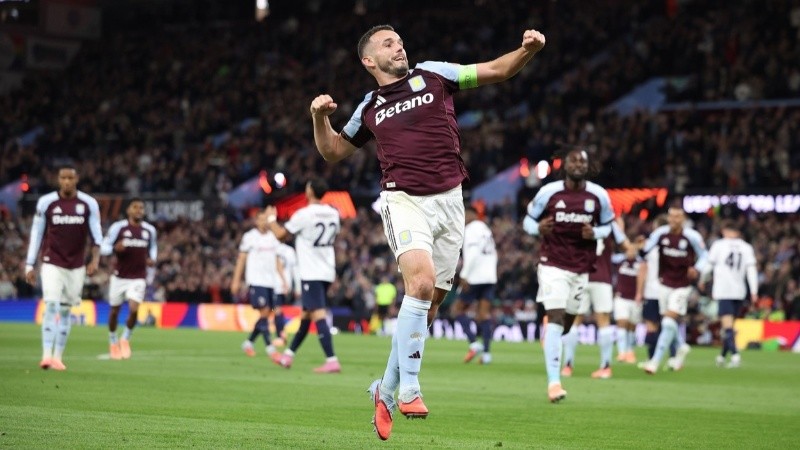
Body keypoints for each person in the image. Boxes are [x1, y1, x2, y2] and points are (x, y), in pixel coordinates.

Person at [309, 24, 545, 439]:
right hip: (403, 201)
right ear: (369, 60)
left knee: (430, 306)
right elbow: (332, 151)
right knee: (418, 285)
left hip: (451, 202)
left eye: (399, 41)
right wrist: (318, 118)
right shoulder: (370, 106)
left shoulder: (434, 74)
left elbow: (496, 70)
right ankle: (410, 389)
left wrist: (527, 50)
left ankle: (385, 388)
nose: (398, 47)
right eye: (387, 44)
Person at [523, 148, 615, 402]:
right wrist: (538, 228)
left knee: (568, 322)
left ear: (588, 166)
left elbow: (608, 226)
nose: (577, 164)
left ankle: (550, 335)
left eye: (582, 161)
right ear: (565, 165)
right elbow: (527, 221)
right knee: (555, 316)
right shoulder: (548, 192)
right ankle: (554, 382)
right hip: (552, 263)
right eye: (573, 160)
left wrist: (595, 233)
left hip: (581, 268)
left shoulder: (598, 195)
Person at [24, 165, 103, 370]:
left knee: (67, 311)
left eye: (70, 178)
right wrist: (30, 264)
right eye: (63, 178)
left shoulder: (88, 203)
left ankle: (58, 357)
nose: (67, 181)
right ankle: (46, 355)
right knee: (51, 305)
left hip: (76, 266)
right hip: (52, 263)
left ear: (76, 179)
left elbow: (97, 236)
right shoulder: (46, 202)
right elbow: (37, 234)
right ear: (58, 180)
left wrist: (94, 260)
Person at [266, 178, 342, 374]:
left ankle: (331, 360)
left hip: (311, 271)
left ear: (309, 191)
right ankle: (288, 356)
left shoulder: (304, 214)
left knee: (317, 313)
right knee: (306, 316)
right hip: (327, 269)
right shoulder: (333, 213)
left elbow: (281, 235)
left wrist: (271, 220)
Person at [639, 206, 708, 374]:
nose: (674, 220)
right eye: (671, 217)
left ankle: (654, 362)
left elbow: (705, 255)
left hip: (683, 285)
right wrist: (641, 247)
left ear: (683, 219)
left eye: (677, 217)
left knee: (668, 321)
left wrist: (697, 269)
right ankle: (682, 346)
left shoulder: (692, 236)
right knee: (667, 322)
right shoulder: (660, 233)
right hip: (664, 284)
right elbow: (645, 250)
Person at [561, 218, 628, 379]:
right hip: (603, 278)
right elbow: (625, 245)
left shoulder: (578, 219)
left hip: (581, 276)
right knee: (603, 321)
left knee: (575, 321)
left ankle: (568, 365)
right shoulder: (609, 224)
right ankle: (605, 367)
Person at [100, 197, 158, 360]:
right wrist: (113, 248)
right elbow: (104, 247)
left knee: (134, 309)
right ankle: (113, 341)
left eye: (141, 207)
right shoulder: (118, 228)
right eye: (135, 207)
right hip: (120, 277)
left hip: (138, 277)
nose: (138, 210)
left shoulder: (149, 230)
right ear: (129, 210)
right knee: (114, 312)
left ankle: (125, 338)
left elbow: (153, 248)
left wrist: (152, 259)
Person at [698, 219, 758, 368]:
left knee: (727, 326)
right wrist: (754, 291)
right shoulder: (746, 247)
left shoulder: (718, 245)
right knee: (730, 325)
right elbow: (751, 271)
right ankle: (722, 356)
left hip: (723, 291)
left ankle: (735, 355)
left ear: (724, 231)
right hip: (739, 292)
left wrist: (702, 280)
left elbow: (709, 266)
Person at [230, 209, 281, 359]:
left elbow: (277, 259)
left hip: (271, 282)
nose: (264, 222)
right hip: (256, 280)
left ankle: (249, 342)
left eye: (266, 219)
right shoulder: (250, 237)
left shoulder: (273, 237)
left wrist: (282, 279)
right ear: (256, 221)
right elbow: (241, 259)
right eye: (261, 219)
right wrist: (236, 280)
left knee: (267, 313)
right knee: (264, 311)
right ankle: (270, 349)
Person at [455, 204, 498, 365]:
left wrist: (465, 275)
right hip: (489, 277)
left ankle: (474, 343)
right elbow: (494, 253)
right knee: (483, 315)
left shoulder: (471, 229)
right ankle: (487, 354)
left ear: (470, 214)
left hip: (475, 276)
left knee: (457, 309)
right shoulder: (486, 230)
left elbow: (472, 254)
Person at [635, 214, 669, 360]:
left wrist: (639, 292)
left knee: (651, 326)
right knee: (668, 325)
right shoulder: (672, 245)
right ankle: (673, 358)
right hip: (669, 290)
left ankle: (652, 360)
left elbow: (643, 269)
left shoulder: (648, 246)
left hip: (652, 290)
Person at [613, 237, 642, 364]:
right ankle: (621, 352)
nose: (630, 252)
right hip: (621, 297)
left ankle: (630, 351)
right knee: (621, 322)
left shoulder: (640, 263)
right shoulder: (619, 260)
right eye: (628, 249)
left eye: (633, 249)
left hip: (635, 299)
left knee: (632, 326)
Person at [273, 241, 299, 345]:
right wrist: (297, 287)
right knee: (275, 309)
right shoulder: (290, 250)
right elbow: (295, 270)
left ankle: (281, 336)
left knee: (276, 309)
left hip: (275, 284)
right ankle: (281, 333)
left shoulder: (271, 247)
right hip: (284, 285)